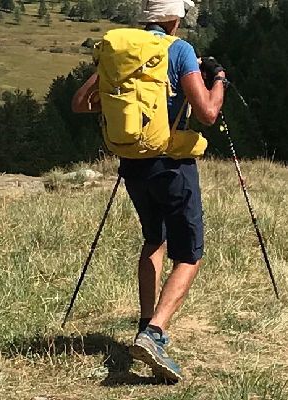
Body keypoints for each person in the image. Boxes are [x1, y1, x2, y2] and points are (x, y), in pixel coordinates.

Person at [70, 0, 226, 385]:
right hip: (172, 164)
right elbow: (206, 113)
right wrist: (218, 79)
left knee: (153, 238)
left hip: (132, 163)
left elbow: (80, 103)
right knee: (190, 254)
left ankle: (144, 322)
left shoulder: (119, 53)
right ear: (175, 18)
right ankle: (154, 334)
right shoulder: (179, 50)